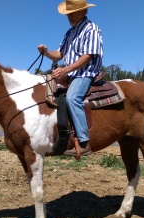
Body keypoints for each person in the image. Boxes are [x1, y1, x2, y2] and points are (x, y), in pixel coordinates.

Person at [38, 0, 103, 156]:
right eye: (68, 13)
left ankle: (84, 142)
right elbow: (59, 54)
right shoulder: (70, 33)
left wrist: (65, 69)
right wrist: (46, 52)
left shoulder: (91, 29)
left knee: (72, 98)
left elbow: (88, 56)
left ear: (83, 12)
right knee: (44, 90)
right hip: (70, 74)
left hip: (85, 73)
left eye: (72, 13)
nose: (69, 16)